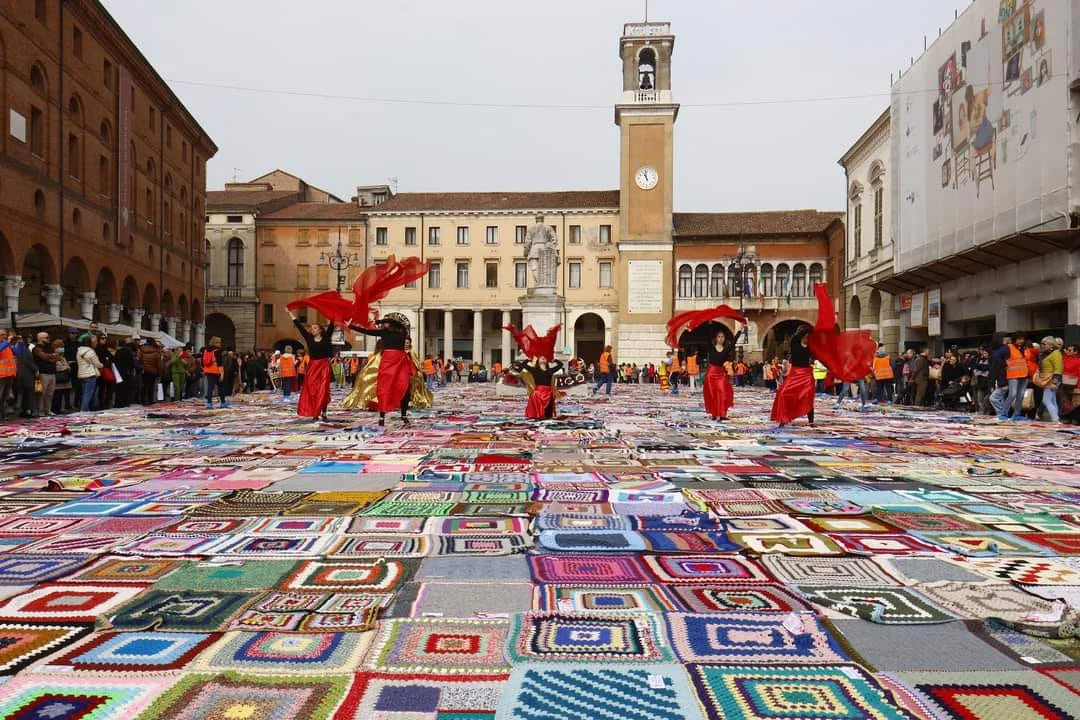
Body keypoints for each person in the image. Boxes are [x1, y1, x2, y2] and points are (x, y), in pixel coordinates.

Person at [350, 313, 414, 426]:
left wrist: (379, 321)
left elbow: (397, 323)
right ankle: (382, 416)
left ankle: (404, 415)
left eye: (386, 322)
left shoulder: (403, 331)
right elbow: (367, 332)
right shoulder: (384, 332)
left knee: (404, 387)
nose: (384, 324)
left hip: (400, 361)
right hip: (388, 361)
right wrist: (351, 326)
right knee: (384, 388)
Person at [287, 310, 335, 422]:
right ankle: (315, 411)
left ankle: (323, 412)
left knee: (323, 390)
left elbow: (332, 325)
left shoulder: (326, 337)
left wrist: (334, 312)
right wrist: (291, 314)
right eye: (311, 328)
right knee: (313, 390)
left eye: (314, 328)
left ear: (320, 330)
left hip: (324, 366)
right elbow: (300, 327)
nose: (312, 330)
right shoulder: (309, 338)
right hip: (313, 367)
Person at [770, 324, 816, 427]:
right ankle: (783, 418)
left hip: (807, 375)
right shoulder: (795, 342)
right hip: (795, 374)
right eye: (806, 335)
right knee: (783, 393)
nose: (808, 337)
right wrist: (810, 329)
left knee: (808, 397)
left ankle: (811, 421)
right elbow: (801, 334)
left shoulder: (810, 345)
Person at [700, 323, 738, 420]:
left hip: (721, 374)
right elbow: (708, 337)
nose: (721, 338)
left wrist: (740, 330)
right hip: (711, 374)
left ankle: (722, 414)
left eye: (722, 337)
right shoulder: (711, 348)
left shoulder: (726, 349)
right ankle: (714, 414)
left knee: (722, 393)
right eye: (719, 336)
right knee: (712, 395)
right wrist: (709, 324)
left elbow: (734, 342)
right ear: (716, 338)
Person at [1000, 334, 1030, 421]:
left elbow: (1028, 360)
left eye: (1022, 339)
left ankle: (1017, 414)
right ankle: (1003, 413)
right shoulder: (1008, 347)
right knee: (1012, 394)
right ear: (1015, 340)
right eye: (1019, 339)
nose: (1021, 341)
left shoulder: (1025, 348)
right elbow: (997, 357)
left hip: (1024, 374)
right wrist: (1004, 366)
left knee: (1020, 395)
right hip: (1013, 374)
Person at [31, 331, 59, 417]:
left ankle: (48, 410)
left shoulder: (50, 347)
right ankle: (40, 410)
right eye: (46, 337)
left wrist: (51, 357)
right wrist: (52, 356)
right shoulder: (36, 348)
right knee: (41, 393)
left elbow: (58, 357)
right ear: (40, 338)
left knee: (50, 393)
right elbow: (43, 356)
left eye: (48, 337)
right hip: (42, 373)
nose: (48, 339)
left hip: (52, 372)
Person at [1035, 336, 1063, 423]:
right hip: (1046, 379)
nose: (1042, 345)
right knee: (1052, 399)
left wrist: (1055, 382)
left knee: (1046, 400)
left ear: (1051, 344)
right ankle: (1056, 418)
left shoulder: (1056, 353)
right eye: (1042, 344)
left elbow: (1058, 368)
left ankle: (1055, 419)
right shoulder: (1043, 354)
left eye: (1044, 344)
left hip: (1052, 379)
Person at [75, 334, 103, 412]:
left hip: (81, 374)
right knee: (88, 394)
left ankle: (85, 409)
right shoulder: (90, 351)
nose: (97, 343)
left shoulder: (79, 350)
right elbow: (97, 364)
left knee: (85, 393)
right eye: (95, 342)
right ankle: (84, 410)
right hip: (90, 374)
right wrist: (102, 365)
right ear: (90, 343)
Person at [202, 337, 227, 409]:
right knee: (221, 387)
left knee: (210, 387)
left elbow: (202, 361)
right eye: (219, 342)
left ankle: (209, 403)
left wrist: (204, 369)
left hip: (208, 371)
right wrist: (222, 373)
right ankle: (223, 402)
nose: (220, 344)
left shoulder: (206, 350)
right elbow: (219, 363)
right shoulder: (217, 351)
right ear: (215, 343)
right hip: (216, 371)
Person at [113, 338, 137, 408]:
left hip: (118, 372)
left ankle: (118, 403)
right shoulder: (129, 351)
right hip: (126, 372)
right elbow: (131, 363)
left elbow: (115, 361)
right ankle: (124, 403)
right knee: (126, 388)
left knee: (119, 388)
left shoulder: (119, 351)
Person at [51, 338, 73, 414]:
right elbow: (57, 367)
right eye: (59, 346)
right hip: (59, 378)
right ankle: (55, 409)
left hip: (64, 378)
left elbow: (66, 365)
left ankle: (59, 408)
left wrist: (67, 367)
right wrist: (66, 367)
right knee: (56, 395)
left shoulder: (63, 357)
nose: (61, 349)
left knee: (61, 394)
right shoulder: (53, 356)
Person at [138, 339, 161, 405]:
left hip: (144, 371)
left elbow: (139, 360)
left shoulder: (142, 350)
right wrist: (159, 373)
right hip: (153, 372)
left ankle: (143, 401)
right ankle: (150, 401)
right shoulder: (156, 352)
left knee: (144, 387)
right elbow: (159, 364)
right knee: (151, 387)